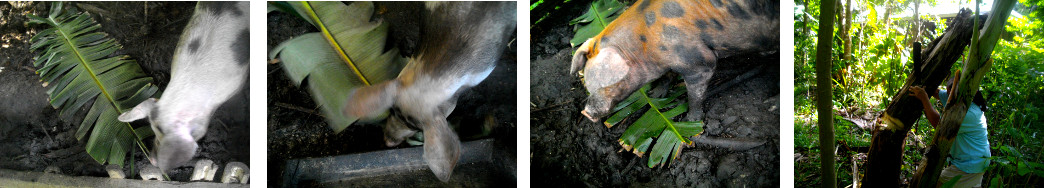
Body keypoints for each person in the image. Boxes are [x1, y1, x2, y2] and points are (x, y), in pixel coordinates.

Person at [908, 71, 991, 188]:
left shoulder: (969, 114)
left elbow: (939, 125)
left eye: (952, 91)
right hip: (971, 162)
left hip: (970, 165)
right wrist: (926, 87)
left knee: (933, 183)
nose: (949, 95)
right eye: (948, 90)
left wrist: (924, 98)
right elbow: (938, 93)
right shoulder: (959, 98)